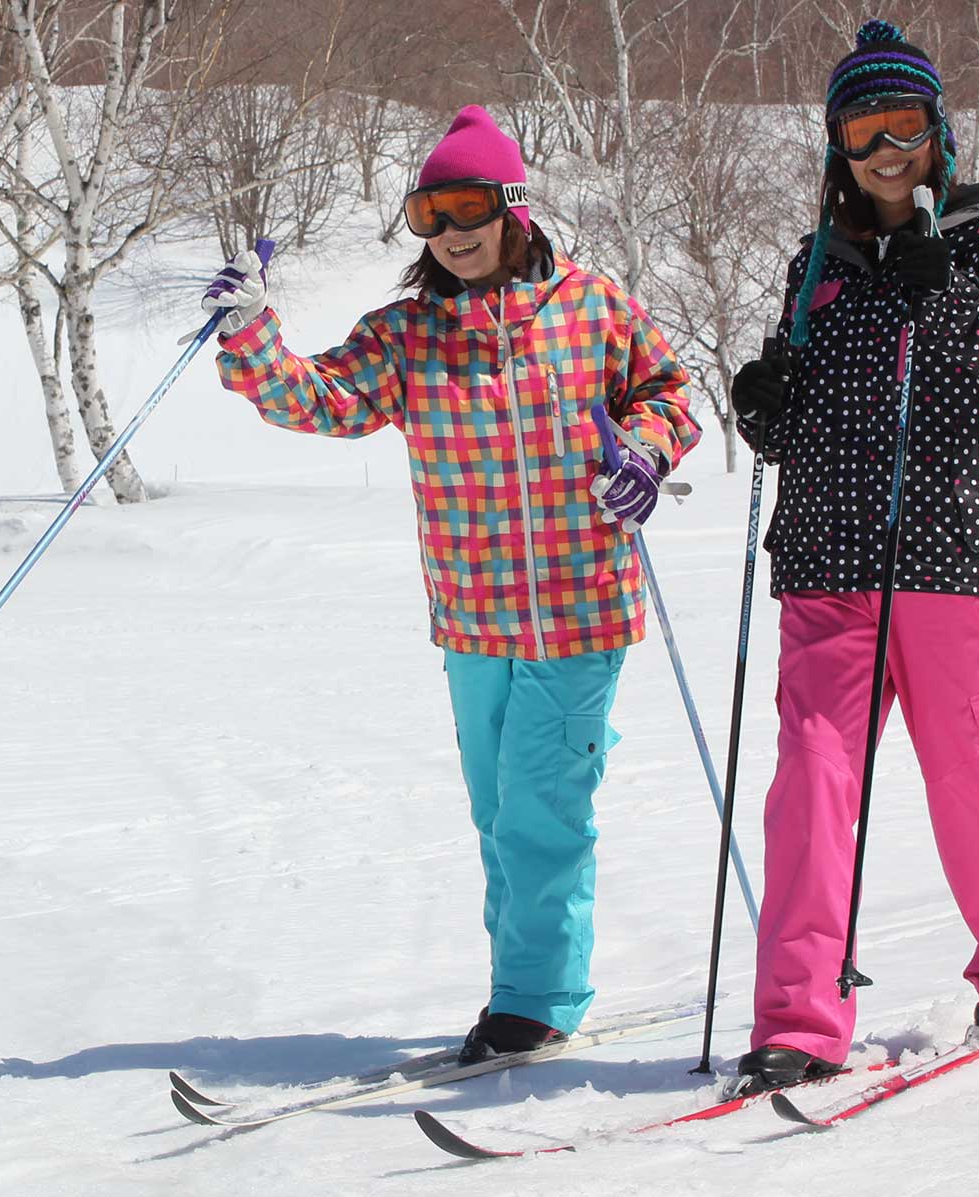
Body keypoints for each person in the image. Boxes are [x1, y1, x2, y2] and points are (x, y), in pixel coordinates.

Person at [200, 105, 699, 1063]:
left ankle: (538, 999)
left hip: (581, 605)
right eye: (429, 213)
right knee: (496, 810)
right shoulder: (406, 335)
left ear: (512, 207)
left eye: (468, 204)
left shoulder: (593, 308)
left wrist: (644, 450)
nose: (452, 230)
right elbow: (324, 401)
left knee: (541, 807)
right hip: (471, 618)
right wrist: (254, 336)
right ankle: (524, 981)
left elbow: (668, 392)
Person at [727, 20, 979, 1094]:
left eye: (904, 125)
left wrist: (944, 292)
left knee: (974, 777)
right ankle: (799, 1017)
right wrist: (766, 409)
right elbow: (805, 414)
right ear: (837, 143)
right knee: (812, 786)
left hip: (953, 559)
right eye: (863, 128)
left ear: (939, 132)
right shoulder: (815, 261)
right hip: (828, 561)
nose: (886, 149)